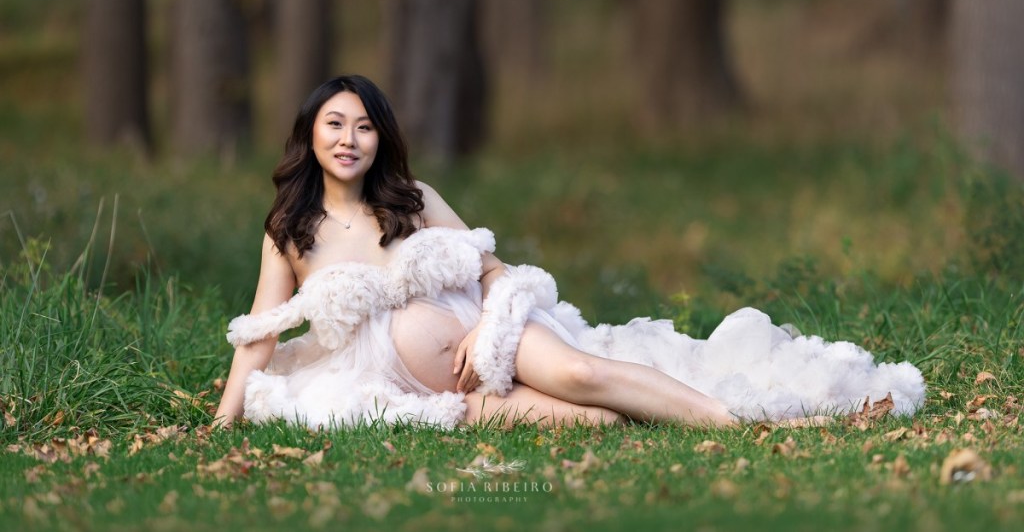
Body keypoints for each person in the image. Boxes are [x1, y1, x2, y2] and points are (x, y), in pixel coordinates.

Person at [214, 75, 925, 430]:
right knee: (599, 421)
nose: (350, 138)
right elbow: (257, 333)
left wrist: (489, 328)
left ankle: (732, 422)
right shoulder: (291, 228)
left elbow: (492, 271)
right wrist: (221, 426)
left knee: (582, 372)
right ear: (310, 134)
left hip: (485, 342)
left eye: (365, 126)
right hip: (419, 394)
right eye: (335, 124)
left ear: (380, 139)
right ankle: (657, 415)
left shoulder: (414, 196)